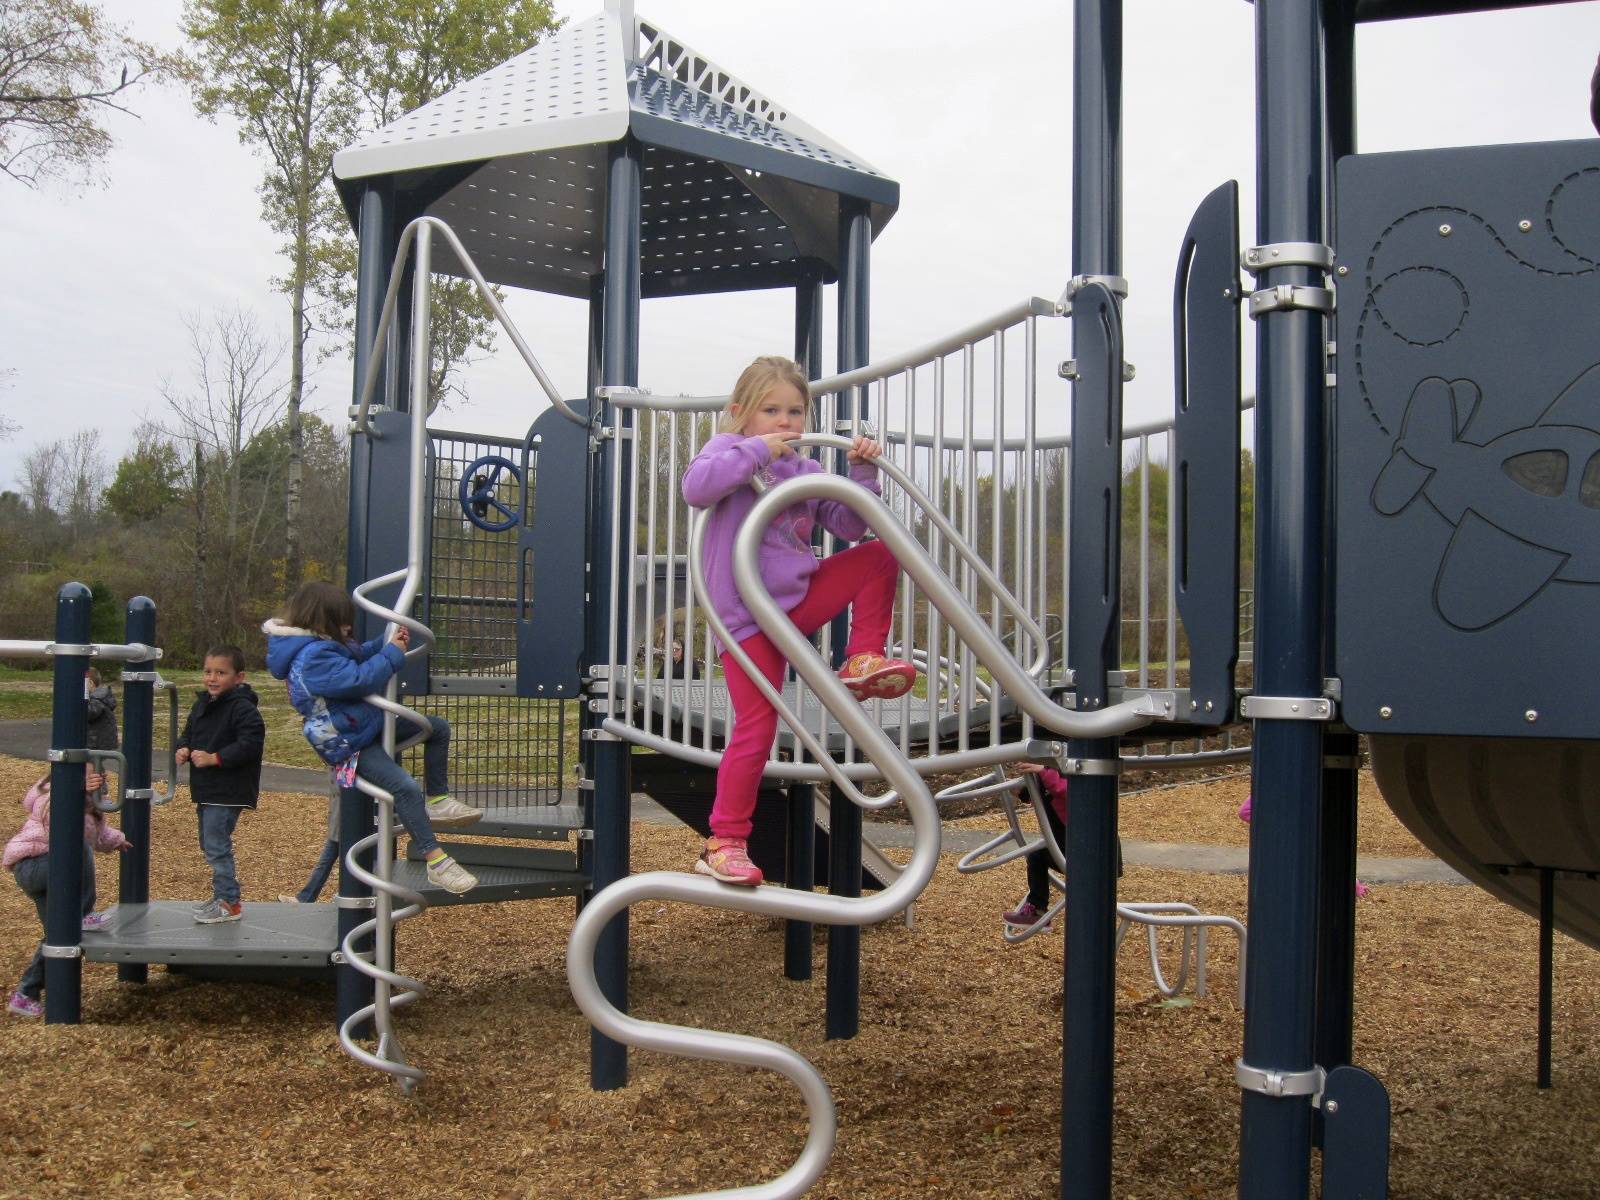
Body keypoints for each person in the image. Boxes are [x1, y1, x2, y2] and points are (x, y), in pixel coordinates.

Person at [682, 354, 917, 886]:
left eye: (795, 412)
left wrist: (861, 473)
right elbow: (697, 488)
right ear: (741, 413)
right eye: (771, 411)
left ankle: (860, 656)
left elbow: (851, 525)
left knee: (879, 554)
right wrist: (752, 451)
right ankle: (724, 841)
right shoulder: (728, 452)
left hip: (797, 599)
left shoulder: (806, 471)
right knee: (757, 724)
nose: (786, 423)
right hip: (745, 616)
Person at [263, 581, 482, 896]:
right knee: (403, 786)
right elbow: (358, 679)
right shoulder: (311, 657)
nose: (349, 626)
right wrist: (392, 654)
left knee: (436, 728)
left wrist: (389, 638)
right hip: (346, 739)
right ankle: (436, 861)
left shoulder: (323, 644)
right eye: (342, 620)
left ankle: (438, 800)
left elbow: (360, 653)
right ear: (320, 619)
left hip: (363, 722)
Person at [5, 768, 128, 1017]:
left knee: (57, 933)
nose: (96, 777)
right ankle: (85, 911)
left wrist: (118, 840)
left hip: (53, 872)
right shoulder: (51, 795)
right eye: (89, 771)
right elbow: (58, 821)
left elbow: (99, 834)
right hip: (35, 865)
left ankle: (26, 993)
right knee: (78, 845)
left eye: (99, 774)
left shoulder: (90, 805)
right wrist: (81, 793)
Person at [175, 645, 266, 924]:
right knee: (209, 843)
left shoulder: (242, 709)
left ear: (238, 677)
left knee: (216, 845)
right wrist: (184, 748)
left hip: (228, 789)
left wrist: (216, 758)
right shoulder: (202, 705)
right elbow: (188, 733)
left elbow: (250, 744)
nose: (212, 678)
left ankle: (229, 901)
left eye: (220, 673)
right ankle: (222, 896)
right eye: (208, 672)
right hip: (207, 788)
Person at [1000, 761, 1069, 933]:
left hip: (1093, 851)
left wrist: (1043, 770)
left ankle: (1037, 909)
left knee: (1037, 855)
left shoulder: (1070, 773)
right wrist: (1021, 792)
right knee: (1037, 856)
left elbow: (1062, 789)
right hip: (1067, 848)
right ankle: (1037, 911)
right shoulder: (1050, 776)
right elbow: (1042, 793)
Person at [279, 786, 338, 905]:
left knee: (328, 863)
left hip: (346, 828)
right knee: (325, 863)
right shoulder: (340, 770)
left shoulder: (347, 770)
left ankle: (306, 898)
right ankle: (305, 898)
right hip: (339, 828)